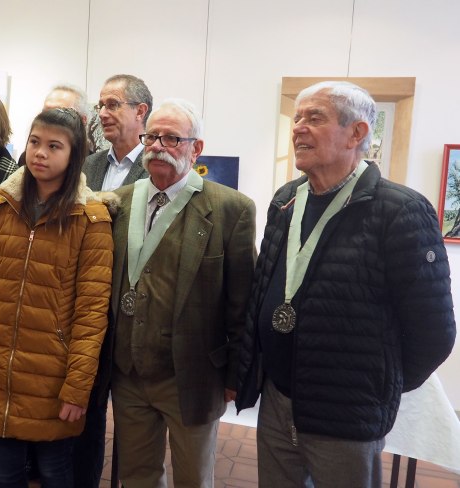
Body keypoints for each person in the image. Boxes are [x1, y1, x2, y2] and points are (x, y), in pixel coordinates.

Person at [236, 81, 456, 488]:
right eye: (297, 118)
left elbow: (434, 333)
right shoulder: (286, 199)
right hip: (277, 399)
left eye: (314, 117)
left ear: (357, 133)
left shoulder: (401, 211)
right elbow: (263, 287)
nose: (298, 128)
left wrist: (376, 387)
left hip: (347, 414)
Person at [0, 108, 114, 487]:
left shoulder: (91, 220)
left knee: (55, 471)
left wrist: (77, 388)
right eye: (35, 142)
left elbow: (91, 315)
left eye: (54, 146)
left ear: (74, 155)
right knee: (5, 472)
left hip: (52, 376)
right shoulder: (0, 208)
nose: (40, 153)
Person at [108, 99, 256, 488]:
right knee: (136, 475)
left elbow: (242, 303)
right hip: (128, 372)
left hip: (192, 375)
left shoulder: (230, 209)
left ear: (196, 148)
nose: (158, 146)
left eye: (172, 138)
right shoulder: (119, 203)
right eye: (152, 136)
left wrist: (236, 375)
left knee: (192, 478)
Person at [82, 74, 152, 191]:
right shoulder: (89, 164)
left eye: (112, 105)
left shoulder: (155, 166)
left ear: (140, 111)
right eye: (101, 106)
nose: (102, 114)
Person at [17, 84, 91, 167]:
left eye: (59, 113)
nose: (49, 120)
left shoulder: (94, 166)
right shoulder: (26, 159)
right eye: (45, 113)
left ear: (82, 121)